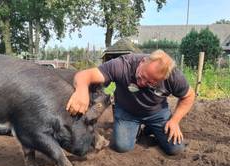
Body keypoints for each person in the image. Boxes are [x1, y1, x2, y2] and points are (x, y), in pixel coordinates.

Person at [66, 49, 195, 155]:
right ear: (142, 62)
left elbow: (189, 96)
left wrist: (175, 121)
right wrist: (82, 90)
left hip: (157, 113)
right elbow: (84, 75)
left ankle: (150, 128)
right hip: (128, 112)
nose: (142, 82)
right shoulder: (122, 65)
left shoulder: (173, 76)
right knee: (121, 146)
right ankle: (137, 128)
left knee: (175, 148)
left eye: (151, 82)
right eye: (142, 76)